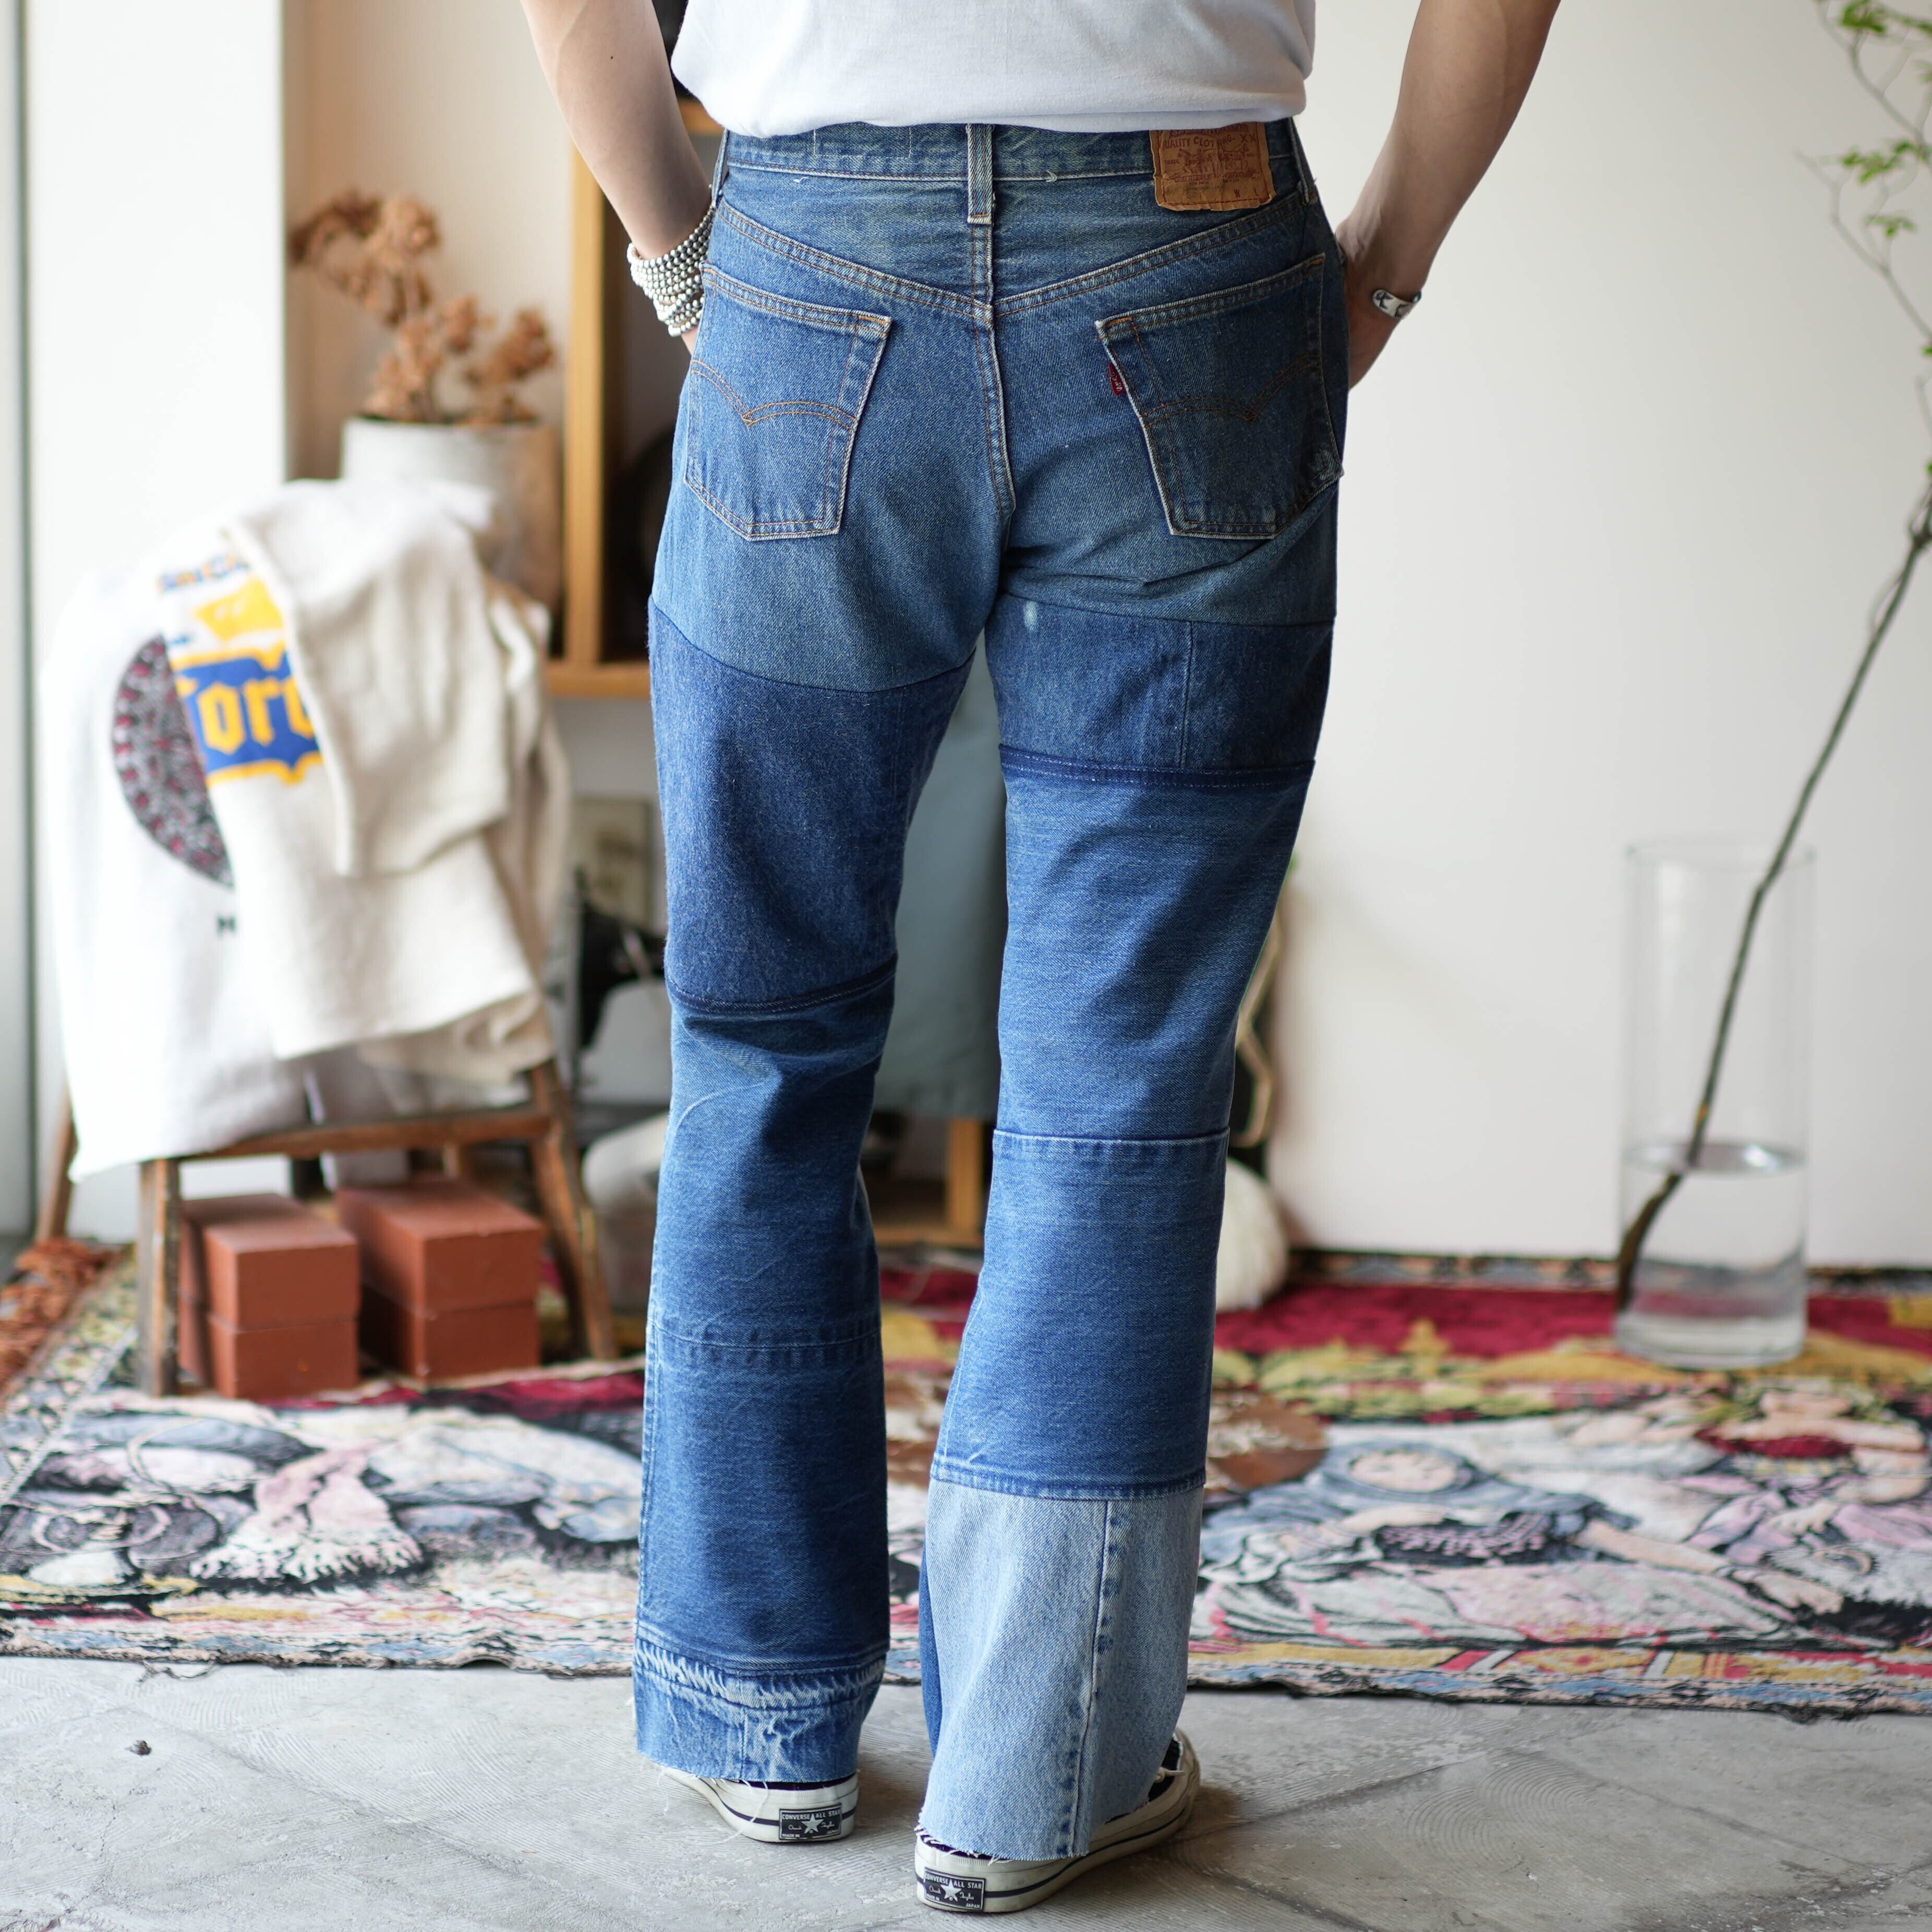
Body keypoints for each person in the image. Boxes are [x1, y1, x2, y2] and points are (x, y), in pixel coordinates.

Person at [518, 0, 1561, 1911]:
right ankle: (1039, 1777)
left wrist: (682, 246)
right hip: (1197, 253)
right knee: (1121, 1073)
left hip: (814, 249)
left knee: (763, 1034)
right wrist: (1386, 262)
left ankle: (760, 1716)